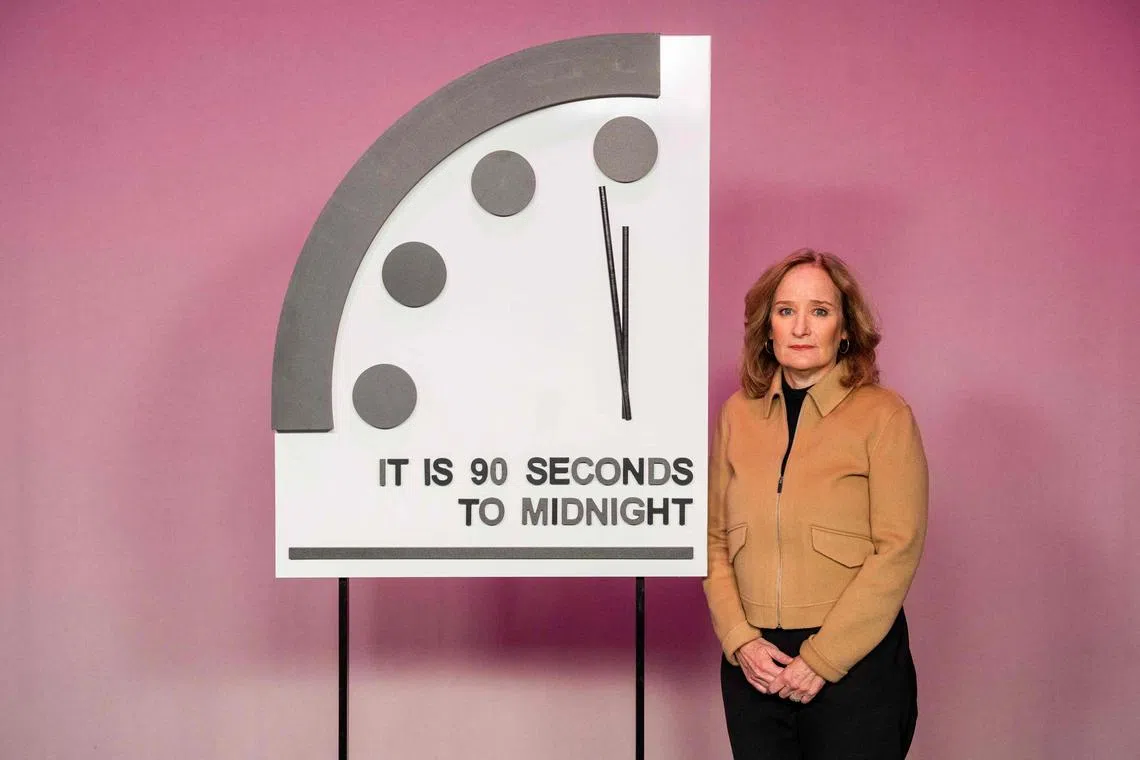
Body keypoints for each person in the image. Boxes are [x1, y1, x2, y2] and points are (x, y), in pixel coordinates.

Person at [704, 249, 929, 759]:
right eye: (786, 311)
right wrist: (740, 640)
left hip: (856, 664)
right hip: (754, 666)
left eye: (820, 311)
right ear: (767, 328)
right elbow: (713, 539)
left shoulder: (884, 415)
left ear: (845, 329)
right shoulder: (736, 414)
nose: (801, 327)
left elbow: (898, 548)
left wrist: (822, 659)